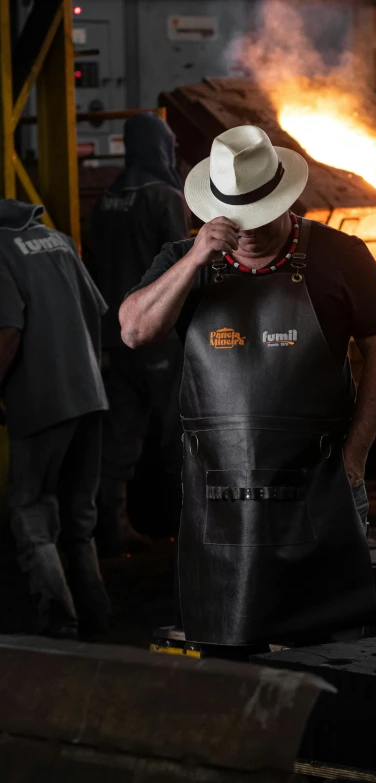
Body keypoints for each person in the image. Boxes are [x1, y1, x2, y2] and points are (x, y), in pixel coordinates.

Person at [120, 125, 376, 657]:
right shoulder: (186, 261)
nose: (246, 232)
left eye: (258, 214)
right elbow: (134, 331)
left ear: (285, 199)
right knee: (228, 646)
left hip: (321, 484)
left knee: (331, 651)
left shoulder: (342, 257)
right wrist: (194, 260)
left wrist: (357, 454)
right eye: (234, 217)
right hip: (220, 498)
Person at [0, 199, 111, 640]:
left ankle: (59, 622)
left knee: (31, 512)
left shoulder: (0, 250)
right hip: (91, 395)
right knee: (79, 517)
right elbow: (95, 312)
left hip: (42, 400)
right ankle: (98, 617)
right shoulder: (60, 242)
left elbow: (8, 331)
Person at [91, 112, 189, 556]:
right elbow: (181, 265)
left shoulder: (108, 198)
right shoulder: (165, 197)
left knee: (120, 432)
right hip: (158, 337)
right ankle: (178, 526)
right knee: (175, 430)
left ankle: (113, 525)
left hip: (113, 334)